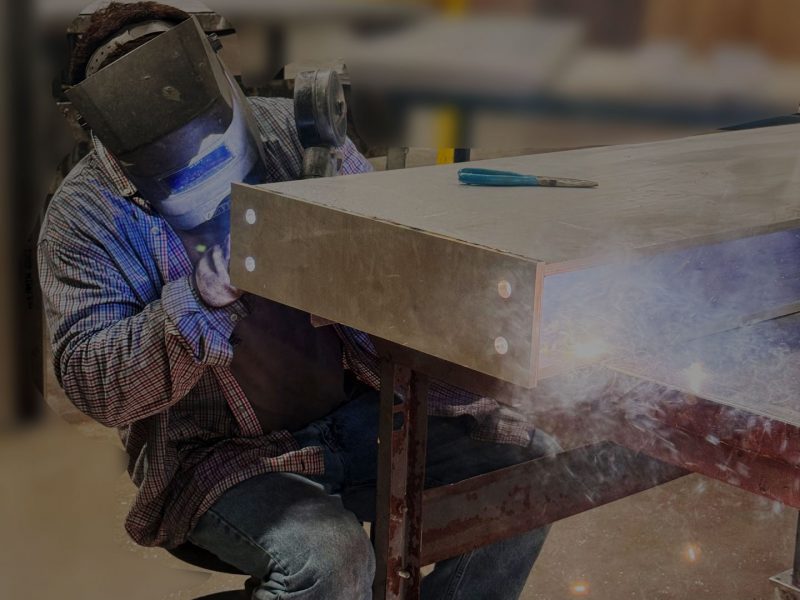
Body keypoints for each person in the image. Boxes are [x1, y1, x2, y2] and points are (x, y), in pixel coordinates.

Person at [39, 3, 557, 598]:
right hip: (223, 455)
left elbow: (394, 259)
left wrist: (356, 253)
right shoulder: (83, 216)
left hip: (356, 411)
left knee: (528, 475)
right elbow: (94, 385)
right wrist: (199, 298)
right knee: (332, 558)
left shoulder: (290, 130)